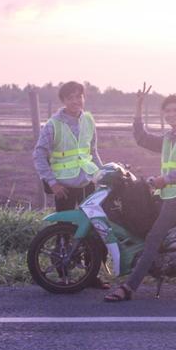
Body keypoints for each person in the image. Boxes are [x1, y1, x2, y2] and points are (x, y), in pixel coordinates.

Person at [104, 85, 176, 302]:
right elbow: (141, 138)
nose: (172, 114)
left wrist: (165, 180)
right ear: (163, 114)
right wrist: (139, 107)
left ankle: (129, 287)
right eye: (168, 111)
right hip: (168, 193)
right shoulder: (169, 137)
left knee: (154, 237)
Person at [32, 81, 109, 289]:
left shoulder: (89, 120)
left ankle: (91, 275)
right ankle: (63, 275)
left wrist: (102, 174)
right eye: (70, 98)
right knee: (64, 232)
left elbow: (92, 151)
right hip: (64, 187)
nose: (76, 101)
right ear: (63, 101)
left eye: (79, 96)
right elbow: (39, 154)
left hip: (88, 183)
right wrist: (52, 182)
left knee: (93, 230)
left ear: (84, 97)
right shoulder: (53, 124)